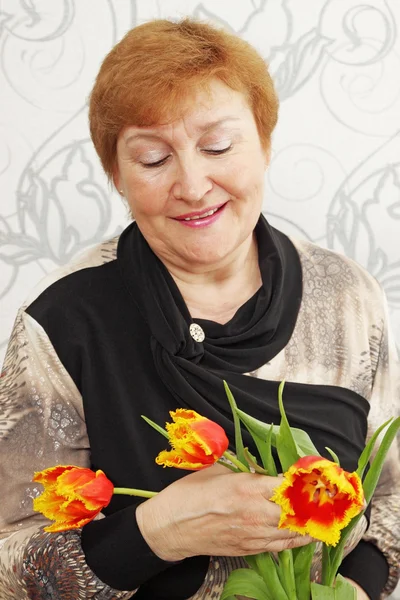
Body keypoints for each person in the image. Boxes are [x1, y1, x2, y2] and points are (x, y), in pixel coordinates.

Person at [0, 18, 399, 600]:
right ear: (116, 175)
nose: (192, 184)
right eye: (154, 159)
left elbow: (390, 503)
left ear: (264, 143)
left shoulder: (345, 297)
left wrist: (351, 591)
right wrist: (160, 531)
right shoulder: (64, 322)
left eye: (217, 146)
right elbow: (12, 561)